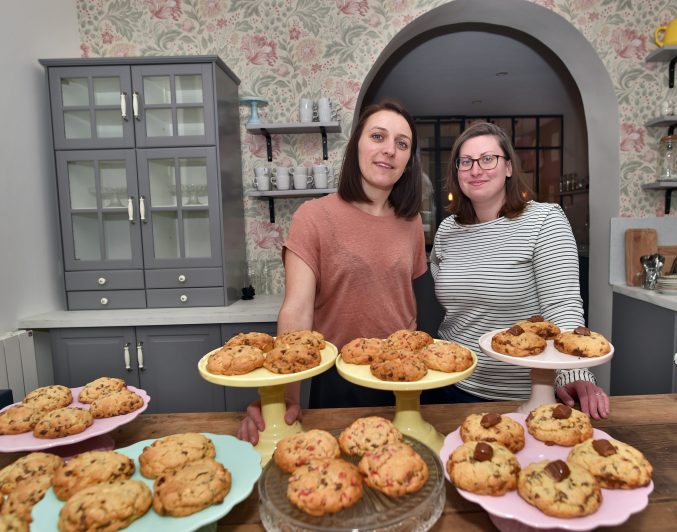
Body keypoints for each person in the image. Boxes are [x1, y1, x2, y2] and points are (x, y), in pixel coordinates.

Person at [238, 99, 427, 443]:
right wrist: (287, 396)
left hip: (403, 377)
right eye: (378, 136)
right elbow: (297, 309)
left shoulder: (410, 221)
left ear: (408, 162)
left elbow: (405, 301)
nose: (389, 151)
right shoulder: (314, 216)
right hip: (340, 376)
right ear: (356, 144)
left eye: (402, 144)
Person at [429, 122, 610, 419]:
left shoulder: (544, 220)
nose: (476, 169)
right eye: (465, 162)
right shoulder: (447, 230)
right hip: (448, 384)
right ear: (456, 172)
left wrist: (573, 372)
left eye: (488, 159)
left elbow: (562, 306)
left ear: (509, 167)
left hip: (520, 395)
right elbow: (456, 305)